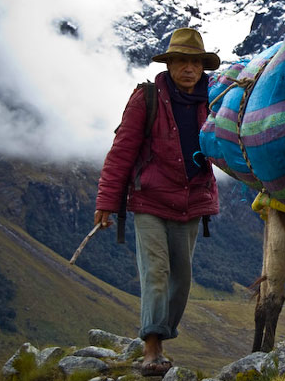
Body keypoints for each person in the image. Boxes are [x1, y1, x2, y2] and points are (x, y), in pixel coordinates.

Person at [94, 27, 220, 376]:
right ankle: (152, 347)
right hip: (149, 200)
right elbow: (121, 153)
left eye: (195, 62)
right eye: (181, 61)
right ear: (169, 63)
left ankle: (162, 333)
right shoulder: (147, 99)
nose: (189, 69)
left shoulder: (214, 99)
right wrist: (107, 199)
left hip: (192, 201)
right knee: (157, 273)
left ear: (202, 66)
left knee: (182, 277)